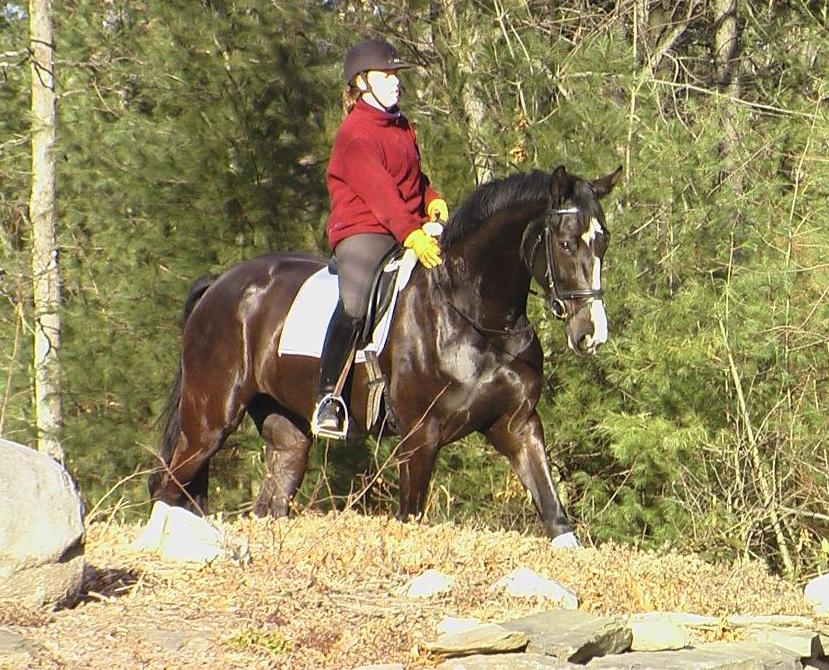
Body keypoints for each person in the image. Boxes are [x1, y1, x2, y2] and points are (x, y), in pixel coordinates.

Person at [312, 38, 448, 438]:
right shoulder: (355, 134)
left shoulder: (402, 126)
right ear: (362, 82)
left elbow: (414, 180)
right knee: (355, 303)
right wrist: (413, 235)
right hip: (364, 231)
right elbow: (382, 197)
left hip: (405, 226)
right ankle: (328, 397)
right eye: (386, 76)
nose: (395, 83)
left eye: (395, 76)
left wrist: (434, 201)